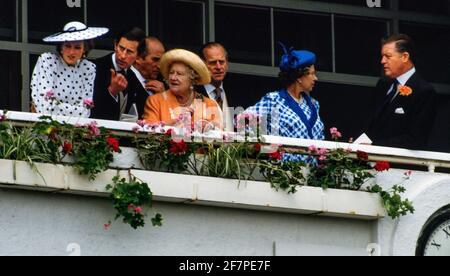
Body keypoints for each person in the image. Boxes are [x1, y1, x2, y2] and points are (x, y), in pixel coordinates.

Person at [243, 45, 324, 161]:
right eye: (311, 74)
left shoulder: (314, 104)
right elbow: (243, 121)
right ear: (299, 77)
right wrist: (267, 151)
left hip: (313, 173)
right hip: (286, 172)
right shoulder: (274, 100)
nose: (315, 78)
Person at [366, 34, 436, 150]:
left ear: (404, 57)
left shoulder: (424, 91)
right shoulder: (383, 85)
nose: (382, 61)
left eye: (388, 56)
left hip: (397, 165)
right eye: (382, 56)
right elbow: (372, 124)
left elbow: (416, 139)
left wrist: (374, 147)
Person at [31, 21, 108, 117]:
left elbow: (85, 111)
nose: (71, 52)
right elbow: (44, 107)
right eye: (67, 46)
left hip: (76, 129)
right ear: (61, 46)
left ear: (84, 49)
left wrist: (57, 106)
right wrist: (74, 110)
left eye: (77, 47)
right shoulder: (47, 60)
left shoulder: (89, 68)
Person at [143, 49, 223, 130]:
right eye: (171, 73)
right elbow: (149, 131)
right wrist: (177, 121)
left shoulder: (209, 104)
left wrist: (207, 128)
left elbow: (218, 136)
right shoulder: (155, 101)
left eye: (179, 74)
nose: (173, 78)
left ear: (192, 79)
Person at [90, 27, 146, 121]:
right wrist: (112, 92)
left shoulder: (133, 78)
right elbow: (90, 107)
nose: (123, 56)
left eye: (129, 52)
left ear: (138, 56)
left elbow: (144, 104)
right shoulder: (95, 67)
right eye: (121, 48)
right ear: (115, 45)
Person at [197, 42, 234, 131]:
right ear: (202, 65)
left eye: (221, 62)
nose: (218, 67)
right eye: (213, 63)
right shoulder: (192, 93)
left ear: (227, 63)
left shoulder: (237, 91)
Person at [130, 37, 166, 118]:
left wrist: (163, 97)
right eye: (155, 59)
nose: (160, 66)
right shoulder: (125, 79)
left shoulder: (163, 83)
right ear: (138, 58)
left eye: (162, 60)